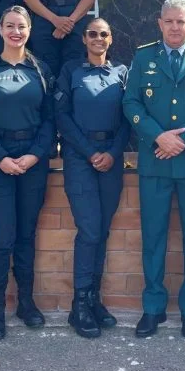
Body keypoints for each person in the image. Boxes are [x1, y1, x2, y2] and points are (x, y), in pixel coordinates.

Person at [122, 0, 185, 341]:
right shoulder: (143, 56)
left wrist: (184, 140)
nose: (175, 28)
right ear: (159, 22)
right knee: (153, 239)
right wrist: (157, 137)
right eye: (169, 22)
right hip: (154, 163)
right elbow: (131, 101)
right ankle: (153, 308)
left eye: (181, 22)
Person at [0, 5, 56, 341]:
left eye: (21, 27)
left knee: (25, 236)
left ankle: (25, 302)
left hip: (33, 161)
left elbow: (51, 119)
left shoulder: (41, 70)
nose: (15, 32)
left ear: (29, 30)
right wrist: (1, 156)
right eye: (9, 26)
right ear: (0, 30)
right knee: (1, 238)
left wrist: (35, 155)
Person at [55, 18, 130, 338]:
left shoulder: (122, 73)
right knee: (88, 230)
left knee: (101, 231)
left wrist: (113, 152)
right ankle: (80, 305)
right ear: (84, 39)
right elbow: (62, 116)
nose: (98, 38)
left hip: (111, 157)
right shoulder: (71, 71)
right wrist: (89, 152)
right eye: (93, 34)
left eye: (104, 33)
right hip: (80, 156)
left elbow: (130, 115)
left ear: (111, 38)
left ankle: (93, 299)